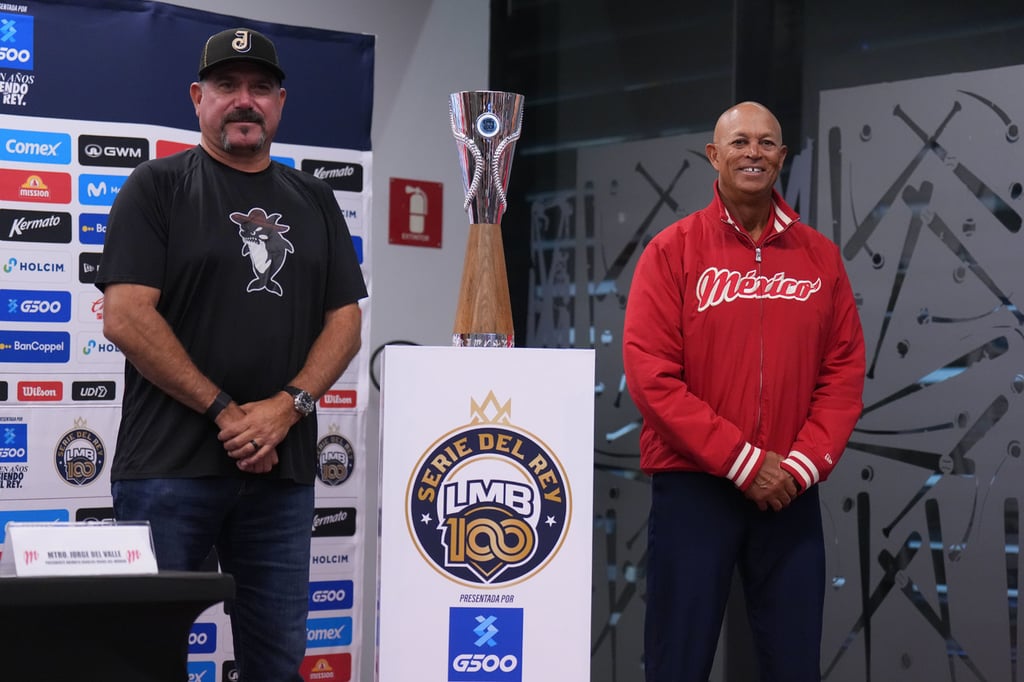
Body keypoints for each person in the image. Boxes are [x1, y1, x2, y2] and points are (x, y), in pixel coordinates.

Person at [95, 27, 367, 681]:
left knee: (277, 660)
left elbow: (346, 322)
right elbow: (127, 316)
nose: (243, 100)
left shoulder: (316, 200)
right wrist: (226, 412)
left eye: (259, 88)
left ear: (280, 102)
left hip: (282, 475)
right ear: (197, 97)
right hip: (168, 471)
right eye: (226, 86)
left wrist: (287, 408)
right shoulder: (155, 187)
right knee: (146, 658)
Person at [622, 101, 865, 682]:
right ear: (714, 155)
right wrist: (742, 462)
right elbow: (651, 374)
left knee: (794, 663)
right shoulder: (671, 251)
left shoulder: (821, 258)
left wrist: (797, 468)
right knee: (677, 662)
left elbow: (844, 372)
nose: (752, 152)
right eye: (738, 142)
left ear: (782, 157)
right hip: (695, 488)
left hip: (788, 492)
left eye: (765, 143)